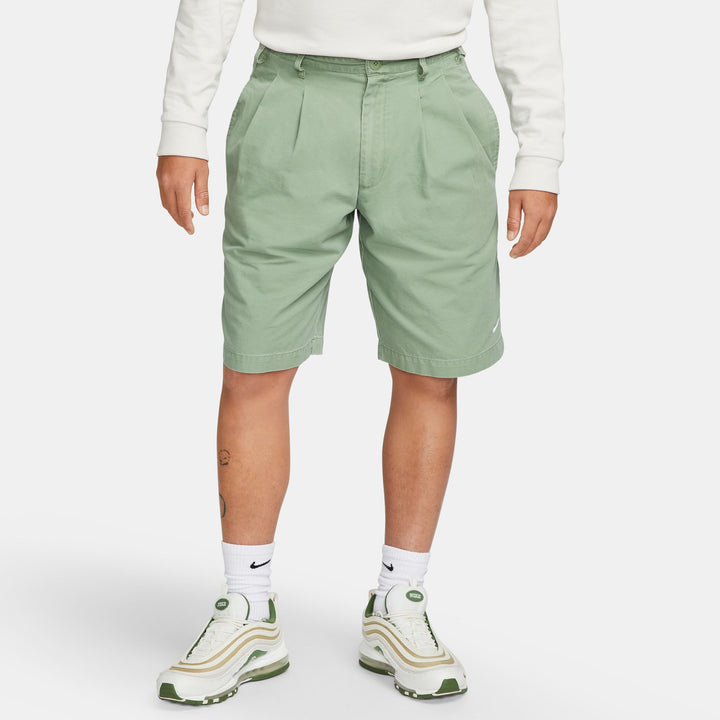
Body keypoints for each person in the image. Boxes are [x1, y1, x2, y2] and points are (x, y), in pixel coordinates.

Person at [154, 0, 565, 704]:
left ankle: (399, 600)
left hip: (433, 101)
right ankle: (247, 605)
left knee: (430, 368)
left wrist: (542, 151)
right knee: (254, 362)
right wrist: (181, 124)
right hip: (291, 95)